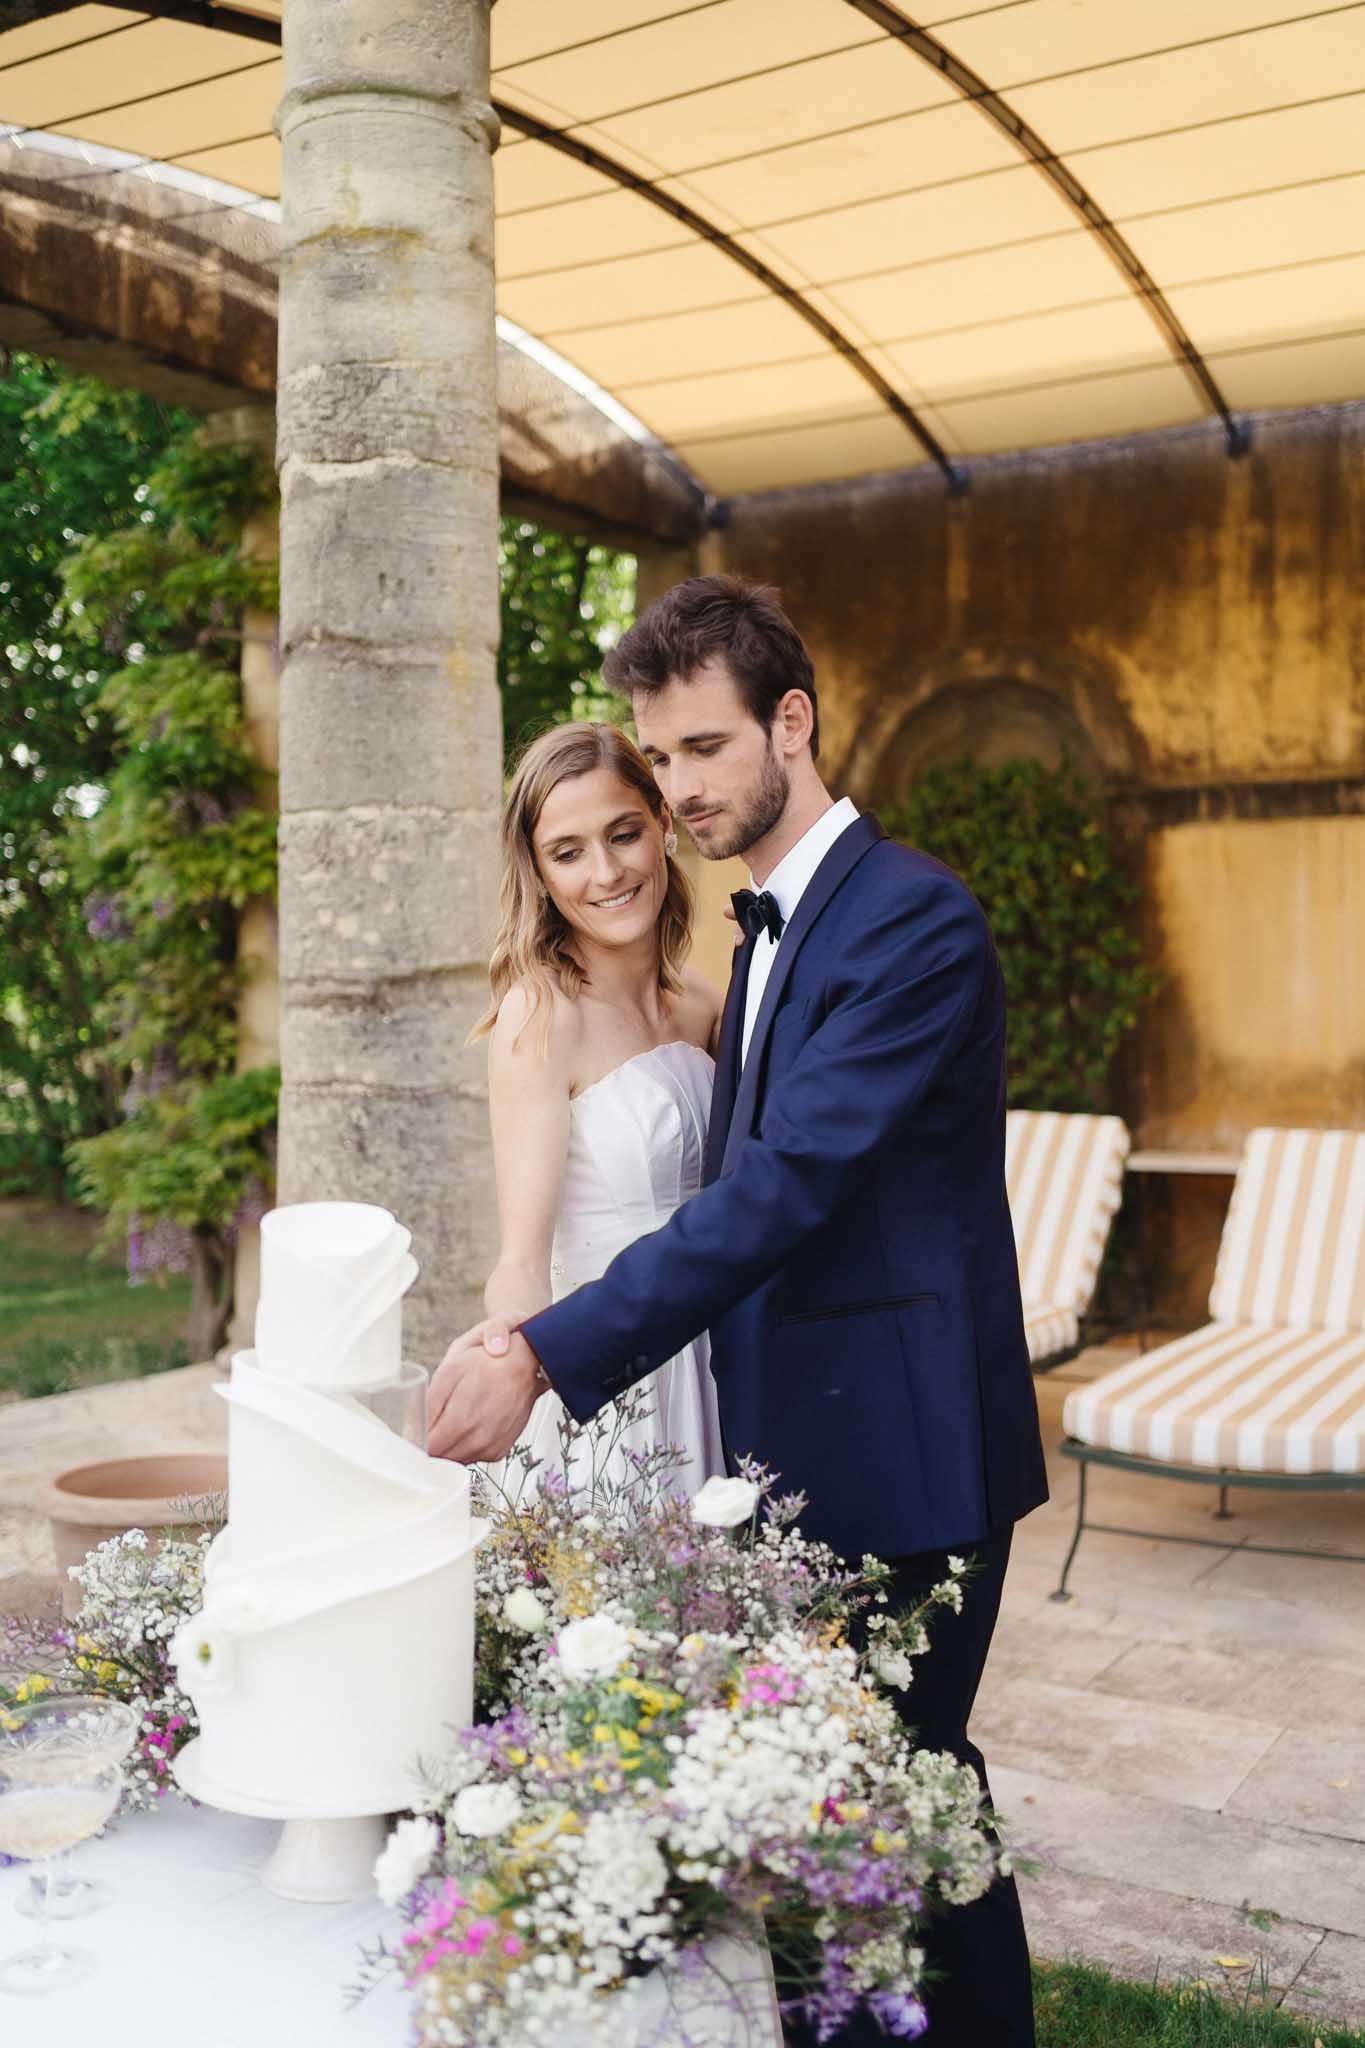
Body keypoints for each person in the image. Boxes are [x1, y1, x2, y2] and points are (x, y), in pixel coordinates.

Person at [430, 575, 1048, 2045]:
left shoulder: (908, 923)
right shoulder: (765, 935)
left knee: (910, 1794)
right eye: (663, 759)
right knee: (828, 1800)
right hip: (786, 1438)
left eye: (705, 750)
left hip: (906, 1449)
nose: (683, 789)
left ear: (793, 719)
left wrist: (544, 1349)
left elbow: (781, 1190)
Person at [469, 719, 725, 1501]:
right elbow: (521, 1255)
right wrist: (517, 1360)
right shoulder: (540, 1017)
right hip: (611, 1381)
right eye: (568, 852)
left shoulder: (706, 1011)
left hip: (721, 1358)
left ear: (663, 827)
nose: (606, 872)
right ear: (539, 873)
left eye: (622, 834)